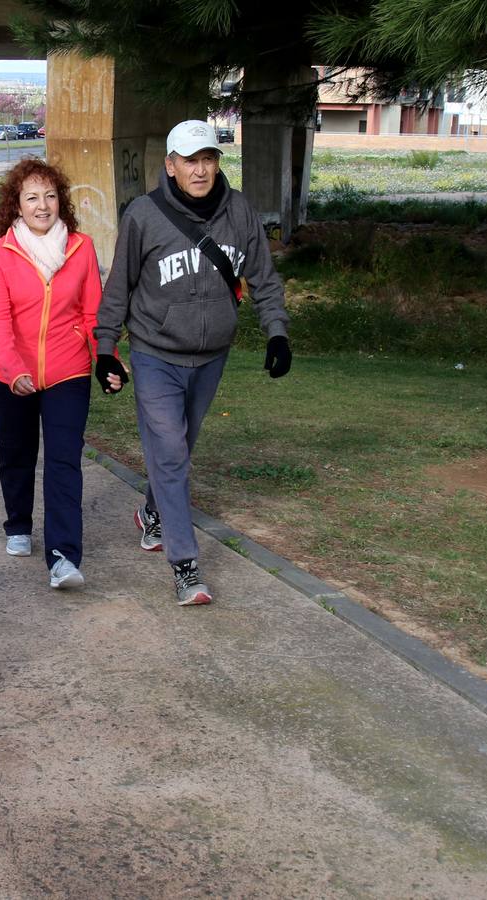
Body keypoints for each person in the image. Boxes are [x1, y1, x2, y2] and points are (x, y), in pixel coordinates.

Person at [94, 119, 291, 606]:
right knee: (171, 453)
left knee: (180, 449)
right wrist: (105, 348)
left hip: (212, 357)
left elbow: (263, 278)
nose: (200, 169)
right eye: (189, 160)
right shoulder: (144, 215)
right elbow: (119, 286)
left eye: (208, 159)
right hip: (155, 352)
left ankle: (153, 513)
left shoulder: (239, 210)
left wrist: (277, 333)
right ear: (171, 166)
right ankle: (185, 565)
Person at [0, 159, 103, 590]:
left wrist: (105, 355)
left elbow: (92, 313)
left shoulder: (81, 248)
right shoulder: (0, 252)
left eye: (50, 196)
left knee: (64, 460)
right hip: (10, 373)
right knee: (16, 452)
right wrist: (13, 370)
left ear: (61, 201)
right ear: (17, 203)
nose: (42, 205)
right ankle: (18, 523)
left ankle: (64, 557)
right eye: (32, 197)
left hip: (69, 370)